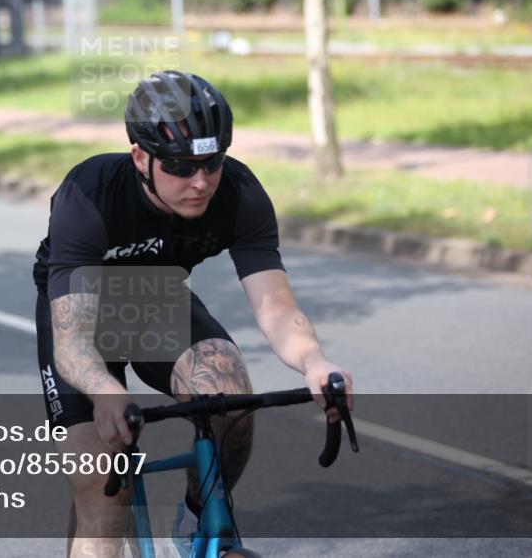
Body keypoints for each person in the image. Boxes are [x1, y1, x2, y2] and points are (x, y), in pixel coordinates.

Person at [32, 70, 354, 557]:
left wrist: (315, 363)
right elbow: (71, 337)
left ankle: (197, 517)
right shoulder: (90, 193)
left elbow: (276, 307)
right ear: (141, 157)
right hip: (79, 311)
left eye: (211, 163)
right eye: (181, 167)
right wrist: (104, 391)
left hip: (156, 298)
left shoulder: (239, 195)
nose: (200, 182)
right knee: (101, 488)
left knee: (230, 398)